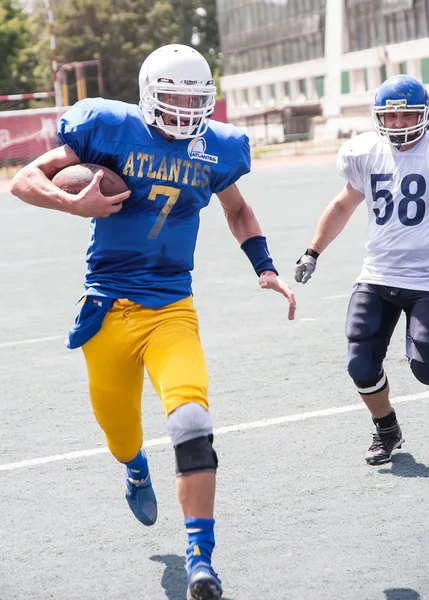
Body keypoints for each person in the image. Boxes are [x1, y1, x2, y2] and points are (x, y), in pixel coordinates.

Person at [10, 44, 296, 600]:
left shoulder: (214, 149)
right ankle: (134, 466)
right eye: (175, 97)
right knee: (120, 434)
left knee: (192, 423)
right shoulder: (108, 127)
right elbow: (24, 180)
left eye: (197, 98)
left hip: (171, 309)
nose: (187, 109)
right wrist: (75, 206)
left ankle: (200, 558)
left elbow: (236, 209)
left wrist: (265, 267)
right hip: (107, 309)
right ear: (149, 96)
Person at [294, 74, 429, 467]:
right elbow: (343, 205)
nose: (400, 124)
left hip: (425, 279)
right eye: (392, 117)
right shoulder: (365, 151)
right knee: (360, 363)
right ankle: (386, 429)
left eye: (408, 117)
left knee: (425, 364)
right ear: (379, 118)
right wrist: (312, 251)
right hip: (379, 274)